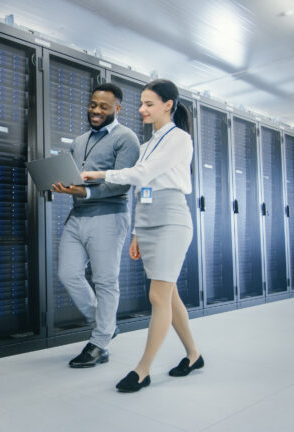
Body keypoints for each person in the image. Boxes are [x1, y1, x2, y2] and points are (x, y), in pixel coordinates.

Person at [81, 79, 203, 391]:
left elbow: (141, 175)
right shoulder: (147, 146)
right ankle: (193, 354)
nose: (142, 109)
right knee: (169, 295)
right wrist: (136, 232)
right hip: (148, 222)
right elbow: (142, 191)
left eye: (149, 104)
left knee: (157, 296)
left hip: (172, 221)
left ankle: (143, 369)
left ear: (168, 105)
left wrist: (101, 173)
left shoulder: (180, 139)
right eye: (142, 103)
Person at [52, 83, 140, 368]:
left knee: (105, 280)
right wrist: (60, 185)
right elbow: (76, 178)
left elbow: (123, 182)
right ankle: (105, 325)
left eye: (103, 107)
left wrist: (85, 192)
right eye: (93, 105)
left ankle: (99, 343)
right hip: (77, 216)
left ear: (117, 109)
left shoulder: (127, 139)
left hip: (108, 216)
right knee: (68, 274)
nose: (96, 111)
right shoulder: (79, 141)